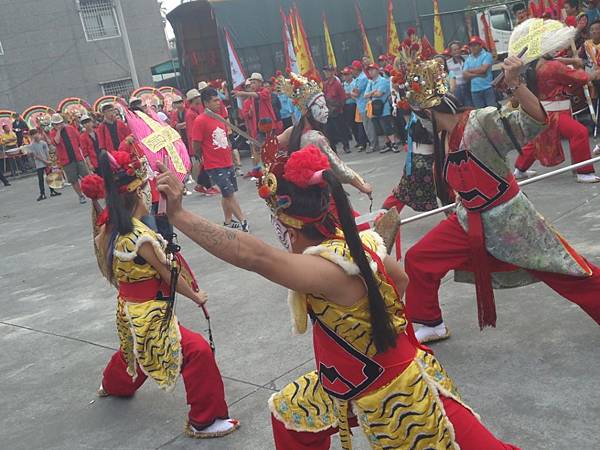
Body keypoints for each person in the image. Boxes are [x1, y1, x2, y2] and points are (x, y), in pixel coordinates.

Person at [156, 144, 522, 450]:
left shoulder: (328, 269)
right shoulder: (359, 243)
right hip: (345, 382)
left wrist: (179, 215)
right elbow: (402, 279)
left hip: (396, 394)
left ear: (285, 223)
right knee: (290, 413)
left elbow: (252, 256)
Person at [401, 54, 600, 344]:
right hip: (468, 218)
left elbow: (535, 120)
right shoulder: (443, 138)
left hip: (510, 220)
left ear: (426, 112)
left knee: (566, 270)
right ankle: (430, 322)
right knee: (419, 258)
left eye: (415, 116)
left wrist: (515, 83)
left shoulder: (480, 122)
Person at [80, 150, 239, 439]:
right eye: (145, 189)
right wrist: (197, 296)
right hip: (149, 311)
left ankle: (112, 384)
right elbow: (170, 275)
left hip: (128, 307)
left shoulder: (109, 226)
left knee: (136, 350)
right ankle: (204, 421)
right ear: (139, 192)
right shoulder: (140, 238)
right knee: (196, 351)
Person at [276, 72, 372, 197]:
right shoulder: (316, 138)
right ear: (307, 111)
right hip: (320, 194)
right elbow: (340, 169)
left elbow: (270, 145)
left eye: (325, 106)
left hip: (299, 193)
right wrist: (362, 186)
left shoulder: (292, 131)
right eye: (320, 107)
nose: (326, 110)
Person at [514, 55, 600, 183]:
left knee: (538, 140)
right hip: (555, 113)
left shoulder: (534, 66)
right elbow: (581, 77)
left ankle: (519, 170)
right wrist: (595, 73)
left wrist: (572, 61)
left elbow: (555, 61)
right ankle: (584, 172)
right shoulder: (552, 66)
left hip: (543, 110)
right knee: (579, 132)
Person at [192, 88, 249, 231]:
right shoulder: (200, 121)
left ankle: (228, 221)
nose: (219, 103)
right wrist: (202, 156)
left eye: (219, 100)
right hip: (214, 164)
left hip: (227, 161)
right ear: (206, 103)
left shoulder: (219, 118)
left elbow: (226, 138)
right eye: (215, 101)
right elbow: (196, 143)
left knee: (227, 193)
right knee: (228, 192)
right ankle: (243, 220)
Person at [233, 72, 280, 170]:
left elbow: (258, 95)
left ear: (260, 83)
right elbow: (246, 115)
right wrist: (249, 113)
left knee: (271, 147)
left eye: (254, 83)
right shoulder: (250, 100)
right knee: (260, 148)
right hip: (258, 128)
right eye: (251, 84)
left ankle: (274, 165)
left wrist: (242, 93)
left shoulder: (265, 92)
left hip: (268, 126)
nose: (252, 85)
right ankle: (265, 167)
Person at [185, 89, 219, 196]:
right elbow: (192, 132)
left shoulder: (195, 111)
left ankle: (200, 185)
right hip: (197, 143)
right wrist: (196, 147)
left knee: (204, 165)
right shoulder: (190, 114)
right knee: (205, 165)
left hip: (200, 142)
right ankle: (208, 186)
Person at [49, 113, 89, 204]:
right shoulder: (53, 133)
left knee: (86, 176)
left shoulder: (70, 128)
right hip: (66, 161)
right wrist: (58, 131)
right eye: (56, 124)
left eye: (60, 123)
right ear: (53, 125)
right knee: (73, 180)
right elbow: (56, 142)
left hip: (77, 157)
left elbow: (79, 139)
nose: (59, 125)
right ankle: (80, 195)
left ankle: (91, 192)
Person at [365, 64, 400, 153]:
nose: (370, 72)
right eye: (369, 70)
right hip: (374, 107)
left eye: (372, 70)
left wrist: (371, 93)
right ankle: (387, 143)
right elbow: (365, 95)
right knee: (380, 127)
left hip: (384, 107)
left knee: (387, 126)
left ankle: (393, 143)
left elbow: (379, 94)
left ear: (377, 70)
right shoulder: (370, 82)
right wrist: (373, 92)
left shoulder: (383, 81)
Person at [463, 36, 496, 108]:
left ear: (480, 45)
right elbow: (465, 75)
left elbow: (483, 69)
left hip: (487, 88)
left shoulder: (487, 55)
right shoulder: (468, 59)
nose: (473, 47)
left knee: (492, 111)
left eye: (475, 45)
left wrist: (469, 70)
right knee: (480, 113)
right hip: (474, 90)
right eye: (471, 46)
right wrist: (478, 74)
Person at [322, 66, 350, 153]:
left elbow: (343, 98)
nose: (326, 73)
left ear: (332, 72)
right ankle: (333, 149)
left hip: (337, 111)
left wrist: (339, 108)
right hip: (329, 111)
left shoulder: (337, 84)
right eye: (325, 72)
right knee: (329, 131)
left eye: (328, 71)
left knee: (341, 129)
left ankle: (346, 146)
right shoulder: (325, 84)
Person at [29, 128, 61, 201]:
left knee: (50, 177)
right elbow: (36, 156)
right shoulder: (32, 145)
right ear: (31, 136)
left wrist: (49, 161)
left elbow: (47, 152)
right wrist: (45, 161)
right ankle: (42, 193)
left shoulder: (43, 143)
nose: (35, 135)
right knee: (41, 180)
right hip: (39, 164)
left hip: (47, 163)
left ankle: (52, 191)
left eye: (36, 133)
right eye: (33, 135)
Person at [350, 60, 375, 152]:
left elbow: (355, 94)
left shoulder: (362, 78)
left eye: (353, 69)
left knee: (369, 126)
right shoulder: (358, 78)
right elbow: (352, 93)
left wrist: (352, 93)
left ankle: (373, 145)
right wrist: (352, 93)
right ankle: (372, 144)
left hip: (365, 105)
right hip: (360, 105)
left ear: (357, 69)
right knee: (366, 126)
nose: (352, 71)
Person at [341, 67, 361, 151]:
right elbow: (343, 95)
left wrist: (348, 95)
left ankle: (361, 141)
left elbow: (354, 94)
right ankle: (357, 141)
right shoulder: (343, 84)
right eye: (344, 75)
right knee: (351, 124)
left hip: (354, 104)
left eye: (346, 74)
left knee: (358, 124)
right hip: (347, 105)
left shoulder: (354, 82)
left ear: (350, 74)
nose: (345, 76)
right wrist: (348, 95)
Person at [446, 41, 471, 106]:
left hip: (468, 86)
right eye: (454, 50)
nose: (457, 51)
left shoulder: (467, 58)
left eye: (458, 49)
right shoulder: (448, 63)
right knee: (459, 107)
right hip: (457, 88)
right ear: (451, 52)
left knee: (470, 106)